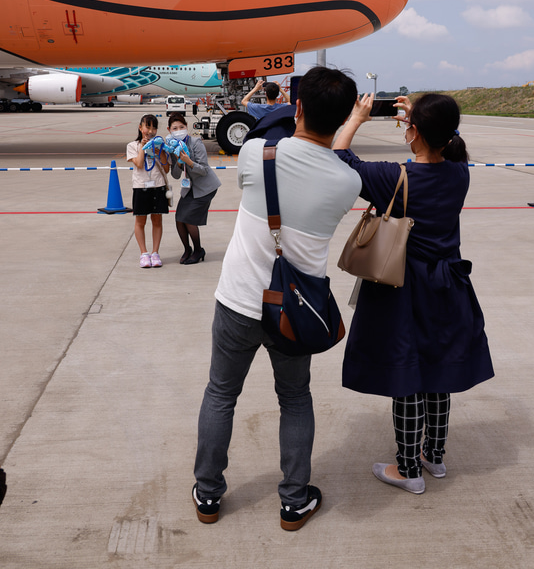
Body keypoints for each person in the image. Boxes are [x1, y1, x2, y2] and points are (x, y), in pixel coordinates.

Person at [192, 67, 361, 530]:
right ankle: (293, 500)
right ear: (346, 116)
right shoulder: (348, 183)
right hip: (294, 312)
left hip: (238, 300)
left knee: (220, 394)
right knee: (295, 398)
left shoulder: (255, 153)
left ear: (298, 107)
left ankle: (207, 495)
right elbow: (335, 158)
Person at [332, 92, 494, 494]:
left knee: (406, 374)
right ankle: (434, 457)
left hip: (403, 289)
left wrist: (358, 117)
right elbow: (448, 145)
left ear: (414, 131)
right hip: (448, 287)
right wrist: (421, 116)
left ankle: (408, 470)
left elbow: (339, 156)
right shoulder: (460, 173)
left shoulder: (395, 177)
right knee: (437, 372)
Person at [168, 113, 221, 265]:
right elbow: (176, 175)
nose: (179, 130)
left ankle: (198, 250)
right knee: (179, 218)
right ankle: (187, 249)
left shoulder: (196, 143)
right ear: (169, 130)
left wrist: (189, 162)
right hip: (189, 187)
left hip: (205, 187)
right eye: (175, 128)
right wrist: (178, 163)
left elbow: (204, 170)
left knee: (189, 219)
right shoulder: (173, 147)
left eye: (181, 127)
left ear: (186, 127)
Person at [126, 114, 170, 268]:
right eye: (147, 127)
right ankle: (144, 253)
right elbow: (138, 163)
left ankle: (155, 252)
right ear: (140, 128)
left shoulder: (159, 145)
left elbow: (166, 168)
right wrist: (144, 148)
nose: (150, 131)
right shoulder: (132, 145)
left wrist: (161, 151)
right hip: (141, 186)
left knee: (157, 220)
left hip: (158, 185)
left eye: (154, 127)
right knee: (140, 221)